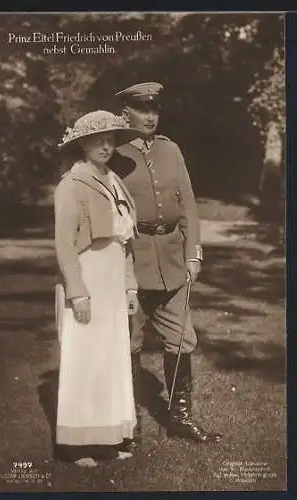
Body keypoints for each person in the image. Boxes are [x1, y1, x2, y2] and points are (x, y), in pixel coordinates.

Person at [110, 82, 222, 445]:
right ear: (125, 112)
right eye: (143, 109)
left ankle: (181, 417)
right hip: (132, 262)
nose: (151, 116)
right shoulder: (114, 153)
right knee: (129, 343)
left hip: (173, 260)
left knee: (181, 339)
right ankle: (130, 423)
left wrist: (193, 253)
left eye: (155, 108)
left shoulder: (170, 150)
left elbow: (187, 204)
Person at [54, 110, 143, 465]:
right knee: (85, 359)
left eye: (110, 139)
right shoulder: (71, 184)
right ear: (83, 144)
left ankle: (108, 436)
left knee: (110, 358)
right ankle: (77, 444)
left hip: (112, 278)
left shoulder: (114, 180)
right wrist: (77, 292)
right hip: (88, 276)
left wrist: (130, 288)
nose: (105, 146)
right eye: (97, 140)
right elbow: (64, 244)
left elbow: (126, 244)